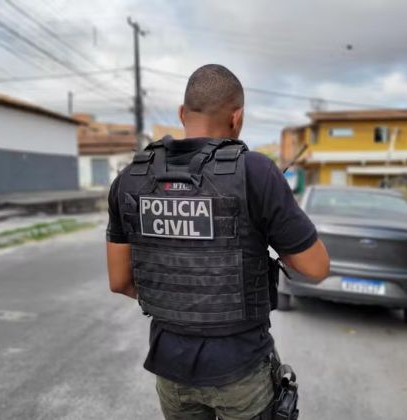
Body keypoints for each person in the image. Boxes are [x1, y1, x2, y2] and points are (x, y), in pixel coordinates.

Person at [106, 64, 330, 419]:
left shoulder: (130, 178)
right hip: (240, 369)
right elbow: (316, 267)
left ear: (182, 113)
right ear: (237, 117)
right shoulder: (256, 172)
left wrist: (179, 290)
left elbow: (119, 282)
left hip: (170, 367)